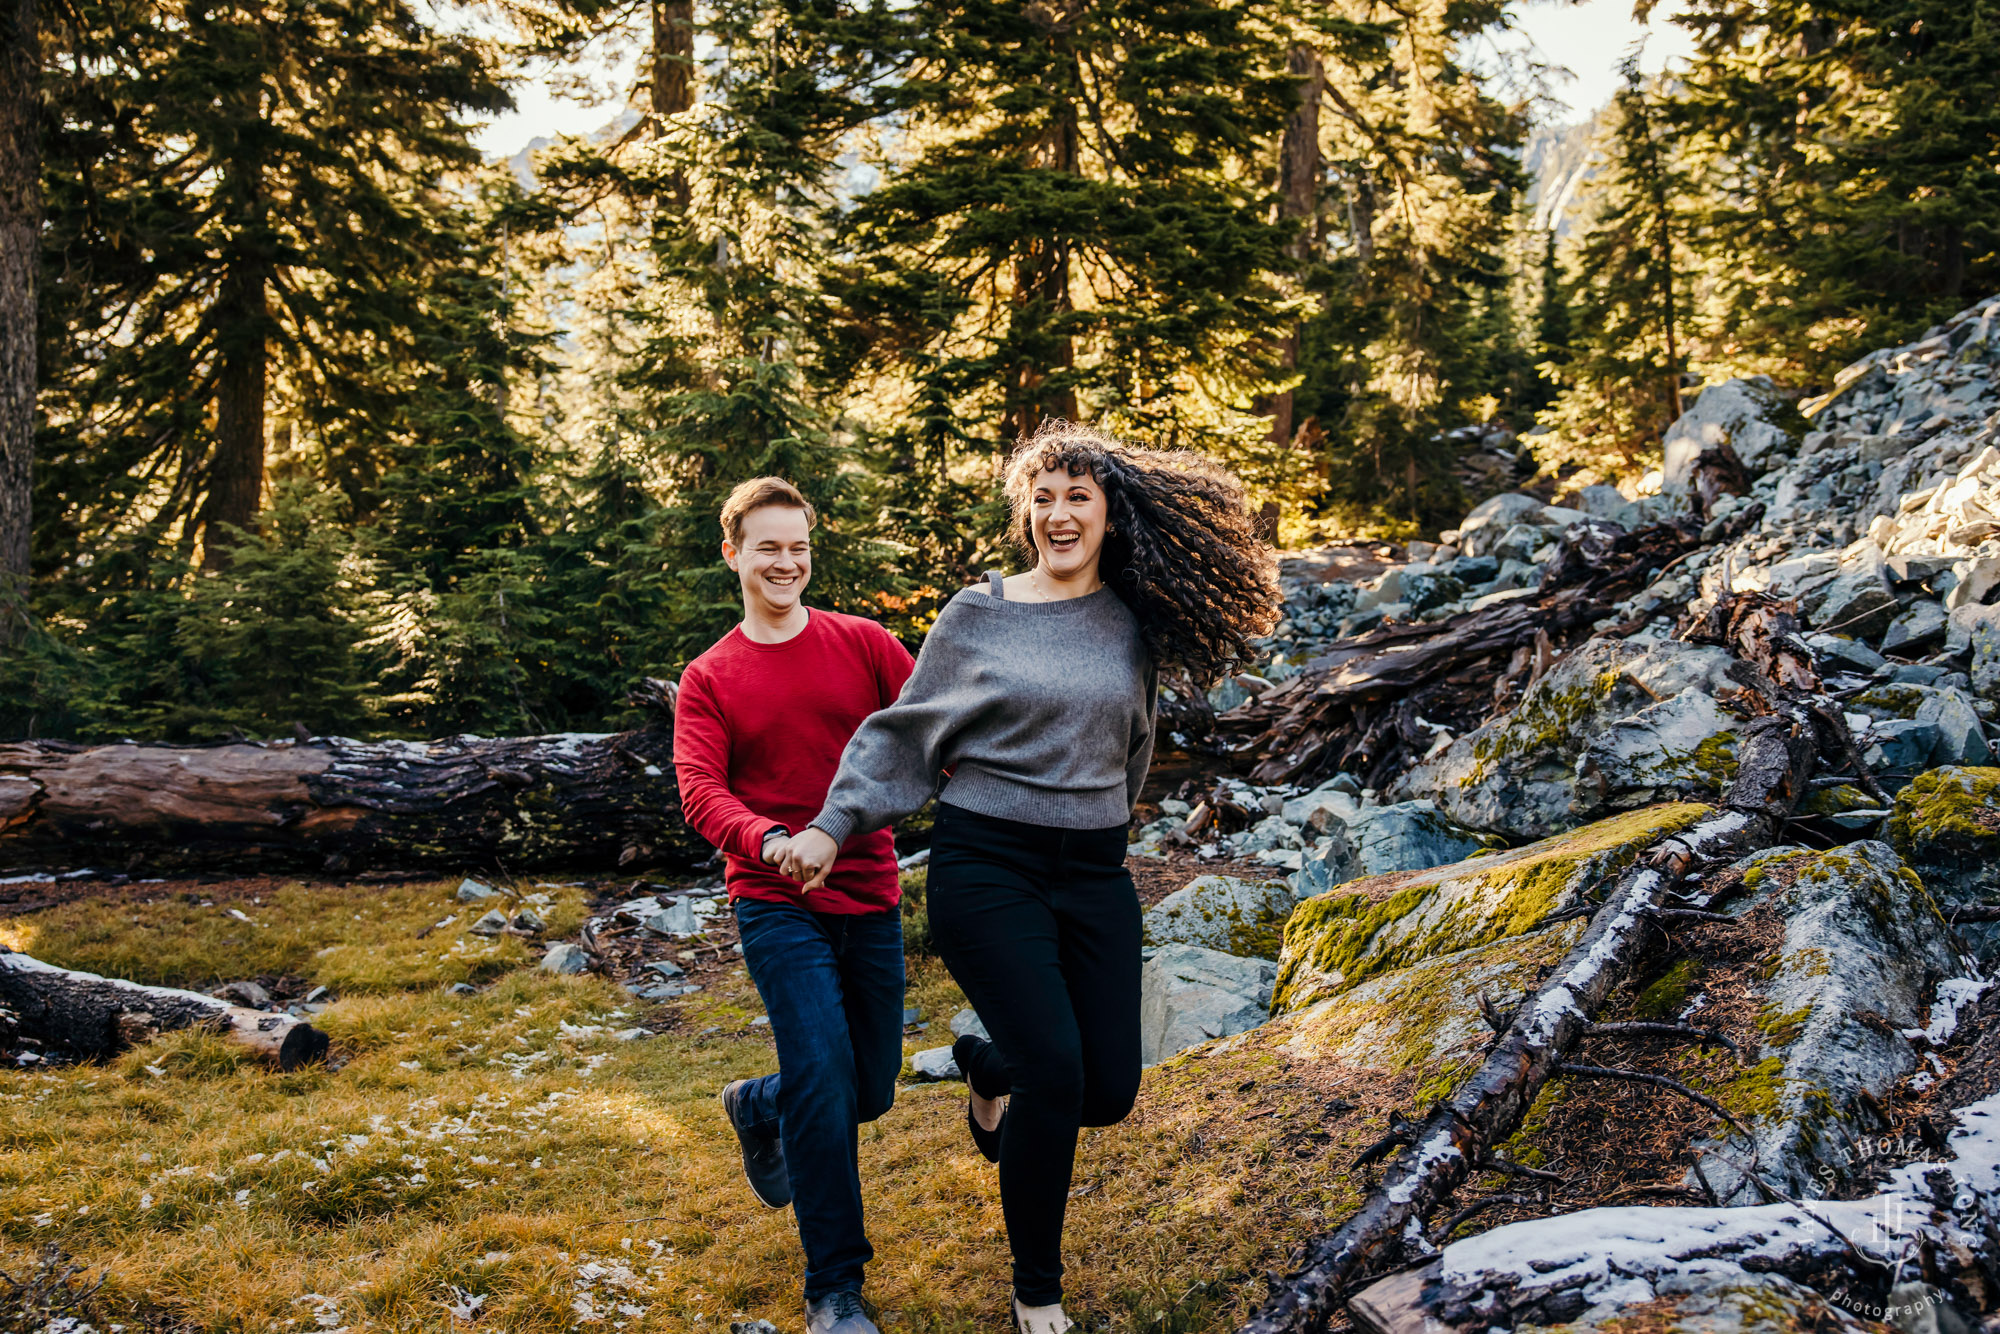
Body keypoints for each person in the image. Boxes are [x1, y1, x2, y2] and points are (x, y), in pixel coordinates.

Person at [778, 421, 1279, 1334]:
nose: (1057, 514)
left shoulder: (1133, 625)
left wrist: (1100, 828)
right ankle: (1036, 1292)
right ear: (1025, 514)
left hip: (1092, 875)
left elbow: (1133, 745)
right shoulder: (980, 612)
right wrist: (831, 824)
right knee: (1056, 1072)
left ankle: (984, 1063)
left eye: (1077, 497)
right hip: (988, 865)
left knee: (1108, 1089)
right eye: (1041, 499)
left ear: (1110, 514)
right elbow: (906, 732)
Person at [673, 476, 915, 1334]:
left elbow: (932, 735)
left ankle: (758, 1103)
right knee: (823, 1075)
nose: (786, 562)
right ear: (733, 553)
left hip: (870, 892)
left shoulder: (867, 645)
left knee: (871, 1089)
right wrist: (771, 841)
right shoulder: (710, 677)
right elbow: (700, 792)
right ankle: (834, 1289)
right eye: (768, 547)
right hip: (774, 902)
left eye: (798, 546)